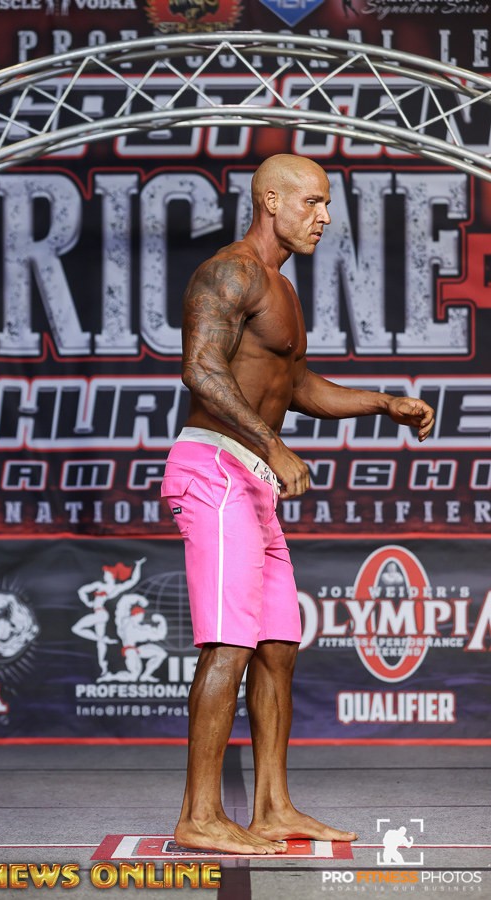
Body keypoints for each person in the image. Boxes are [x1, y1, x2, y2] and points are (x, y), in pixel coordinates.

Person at [161, 154, 435, 855]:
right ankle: (200, 815)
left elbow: (298, 384)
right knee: (230, 642)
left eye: (326, 203)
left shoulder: (281, 287)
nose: (324, 217)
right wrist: (272, 445)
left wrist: (384, 402)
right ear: (271, 201)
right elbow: (200, 369)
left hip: (254, 479)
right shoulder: (230, 272)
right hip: (217, 469)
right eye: (312, 202)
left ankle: (273, 808)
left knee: (278, 645)